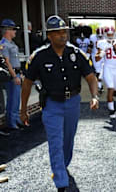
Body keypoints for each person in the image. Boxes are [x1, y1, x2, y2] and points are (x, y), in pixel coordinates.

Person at [20, 15, 99, 192]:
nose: (63, 35)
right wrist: (23, 109)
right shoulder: (39, 57)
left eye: (64, 32)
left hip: (73, 102)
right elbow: (27, 83)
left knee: (68, 140)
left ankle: (62, 166)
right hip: (51, 105)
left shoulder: (77, 53)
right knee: (55, 142)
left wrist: (94, 96)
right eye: (58, 33)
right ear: (49, 36)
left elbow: (91, 77)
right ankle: (60, 181)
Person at [95, 26, 116, 119]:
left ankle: (111, 99)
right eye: (108, 34)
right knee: (110, 88)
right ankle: (111, 110)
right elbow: (96, 59)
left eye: (112, 34)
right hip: (107, 67)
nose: (110, 36)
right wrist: (102, 53)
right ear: (105, 35)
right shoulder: (102, 43)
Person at [0, 19, 23, 130]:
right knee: (12, 99)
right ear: (7, 30)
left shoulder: (12, 43)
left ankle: (16, 119)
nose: (15, 32)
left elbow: (16, 60)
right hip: (11, 76)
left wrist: (20, 73)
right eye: (13, 29)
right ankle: (11, 122)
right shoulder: (3, 44)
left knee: (17, 99)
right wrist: (14, 76)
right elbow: (7, 62)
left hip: (17, 73)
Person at [90, 27, 105, 95]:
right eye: (99, 36)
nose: (100, 37)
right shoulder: (92, 37)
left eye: (101, 35)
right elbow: (90, 46)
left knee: (103, 71)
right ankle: (99, 86)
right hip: (95, 56)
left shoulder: (106, 37)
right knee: (98, 72)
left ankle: (100, 85)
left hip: (104, 55)